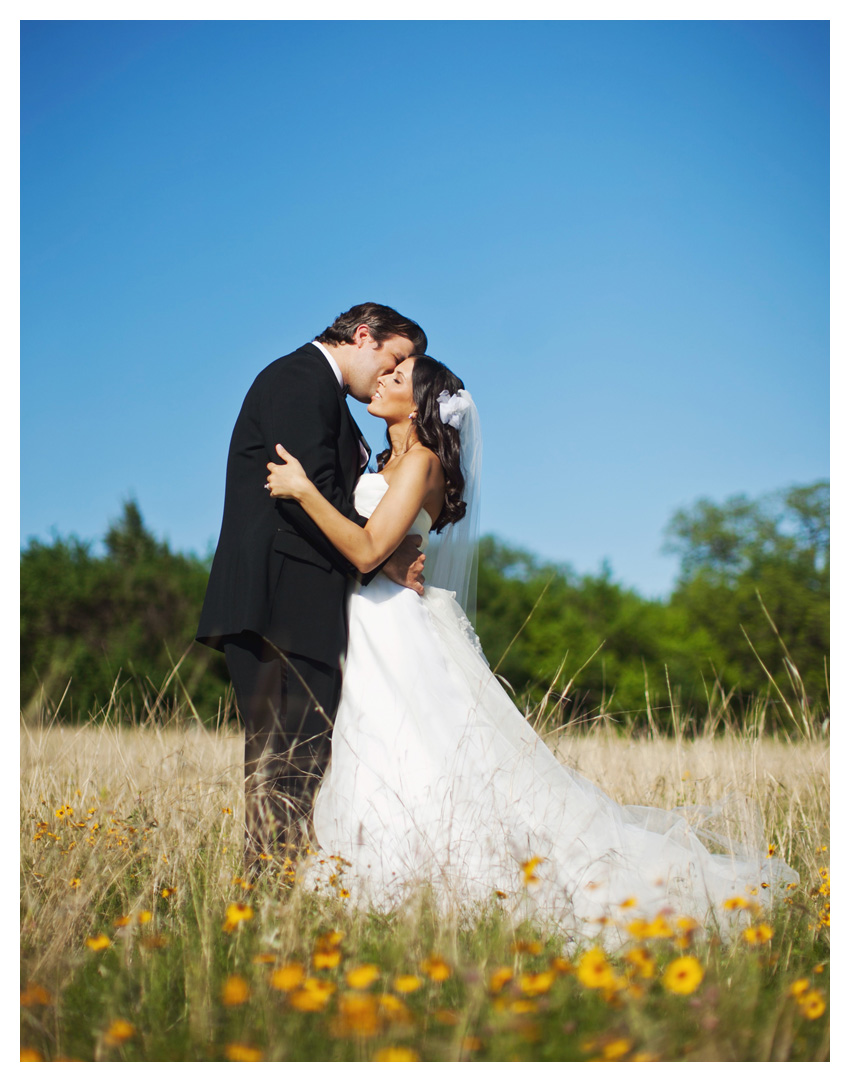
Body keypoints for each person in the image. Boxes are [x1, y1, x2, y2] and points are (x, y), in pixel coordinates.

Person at [265, 353, 796, 940]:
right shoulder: (381, 459)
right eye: (386, 369)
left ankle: (419, 883)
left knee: (408, 754)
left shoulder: (419, 463)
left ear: (419, 404)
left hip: (391, 628)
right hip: (364, 624)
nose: (384, 377)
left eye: (399, 377)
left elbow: (366, 550)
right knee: (380, 752)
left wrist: (302, 490)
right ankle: (370, 880)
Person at [197, 303, 428, 871]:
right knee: (286, 769)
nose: (391, 376)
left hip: (301, 610)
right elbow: (308, 495)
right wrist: (381, 555)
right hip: (281, 608)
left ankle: (273, 905)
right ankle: (262, 910)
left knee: (299, 768)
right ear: (365, 336)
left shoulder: (324, 398)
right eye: (395, 360)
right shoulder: (301, 380)